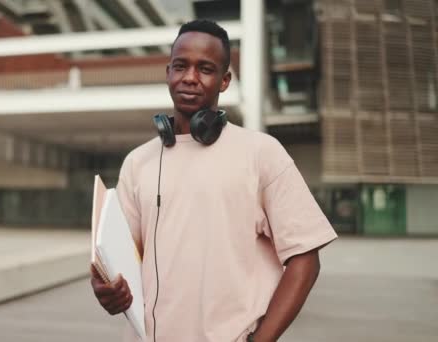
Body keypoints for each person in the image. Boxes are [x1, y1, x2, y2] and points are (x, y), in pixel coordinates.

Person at [90, 19, 337, 342]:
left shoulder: (261, 152)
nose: (190, 78)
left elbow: (305, 258)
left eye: (205, 69)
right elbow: (119, 257)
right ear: (168, 73)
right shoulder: (138, 162)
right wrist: (104, 286)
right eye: (181, 66)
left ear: (225, 81)